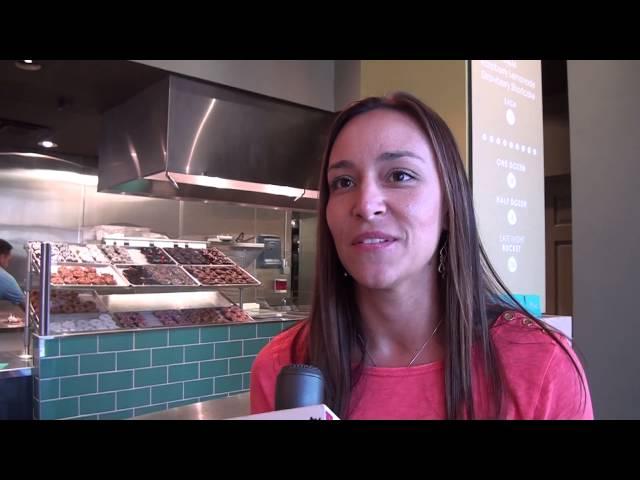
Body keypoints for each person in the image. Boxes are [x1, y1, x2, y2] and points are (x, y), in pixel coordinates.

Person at [250, 92, 593, 419]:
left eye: (400, 175)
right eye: (343, 182)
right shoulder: (285, 367)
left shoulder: (540, 365)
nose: (366, 205)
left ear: (448, 207)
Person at [0, 239, 26, 307]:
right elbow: (29, 308)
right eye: (9, 255)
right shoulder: (5, 280)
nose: (10, 257)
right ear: (2, 257)